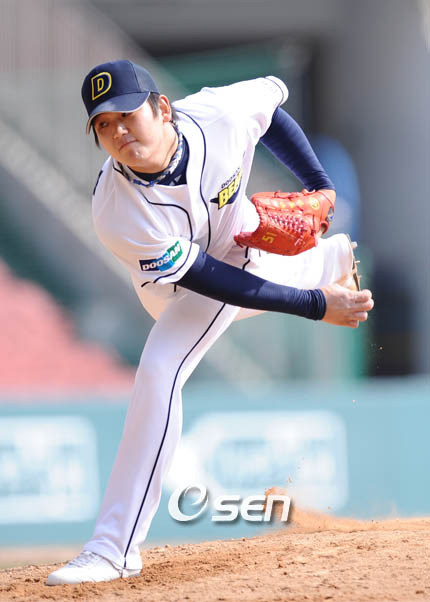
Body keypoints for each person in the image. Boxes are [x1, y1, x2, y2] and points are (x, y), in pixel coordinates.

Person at [46, 59, 373, 585]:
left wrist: (321, 184)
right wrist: (315, 304)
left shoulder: (217, 114)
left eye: (127, 114)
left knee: (160, 369)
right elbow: (209, 280)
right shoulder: (116, 209)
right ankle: (325, 264)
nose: (118, 131)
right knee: (213, 304)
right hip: (174, 289)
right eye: (103, 124)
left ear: (162, 108)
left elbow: (270, 109)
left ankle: (113, 549)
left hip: (241, 238)